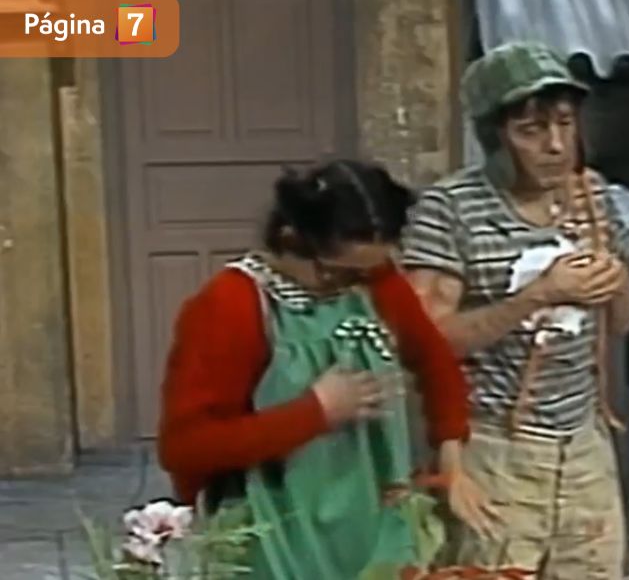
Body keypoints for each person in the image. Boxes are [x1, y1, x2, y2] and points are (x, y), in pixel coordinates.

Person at [157, 159, 491, 579]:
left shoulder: (373, 280)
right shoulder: (231, 304)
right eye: (337, 273)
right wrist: (316, 412)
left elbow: (433, 359)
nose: (354, 285)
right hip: (275, 539)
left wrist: (450, 455)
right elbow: (185, 447)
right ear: (290, 238)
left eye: (368, 271)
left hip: (373, 522)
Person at [402, 41, 629, 579]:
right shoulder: (450, 208)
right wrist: (537, 295)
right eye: (531, 131)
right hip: (494, 449)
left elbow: (620, 324)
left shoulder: (592, 196)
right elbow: (425, 343)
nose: (556, 145)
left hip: (584, 448)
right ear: (495, 138)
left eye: (565, 124)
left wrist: (614, 280)